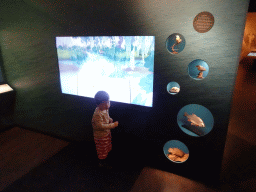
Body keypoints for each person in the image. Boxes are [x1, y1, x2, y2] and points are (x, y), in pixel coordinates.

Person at [91, 91, 118, 168]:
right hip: (100, 136)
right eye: (104, 103)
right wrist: (112, 125)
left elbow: (106, 116)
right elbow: (101, 126)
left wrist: (109, 119)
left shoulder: (105, 109)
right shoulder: (97, 114)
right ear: (98, 104)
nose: (107, 105)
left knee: (107, 146)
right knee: (102, 149)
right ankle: (102, 162)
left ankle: (106, 157)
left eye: (108, 102)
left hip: (106, 134)